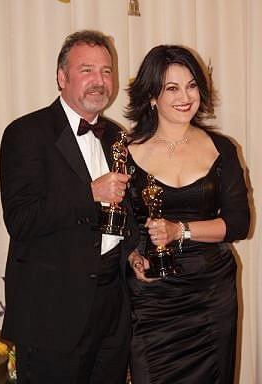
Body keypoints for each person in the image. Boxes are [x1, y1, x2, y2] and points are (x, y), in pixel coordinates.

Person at [0, 30, 138, 384]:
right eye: (87, 70)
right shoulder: (25, 133)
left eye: (107, 71)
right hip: (52, 314)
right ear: (62, 77)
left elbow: (126, 213)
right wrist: (89, 192)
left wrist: (136, 253)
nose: (99, 81)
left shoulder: (116, 136)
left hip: (112, 308)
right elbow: (21, 220)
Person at [125, 45, 250, 384]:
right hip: (154, 298)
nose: (185, 97)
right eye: (172, 88)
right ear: (152, 96)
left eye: (192, 85)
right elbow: (124, 227)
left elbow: (239, 223)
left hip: (211, 292)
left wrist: (180, 230)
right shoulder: (126, 152)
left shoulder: (221, 148)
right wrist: (135, 258)